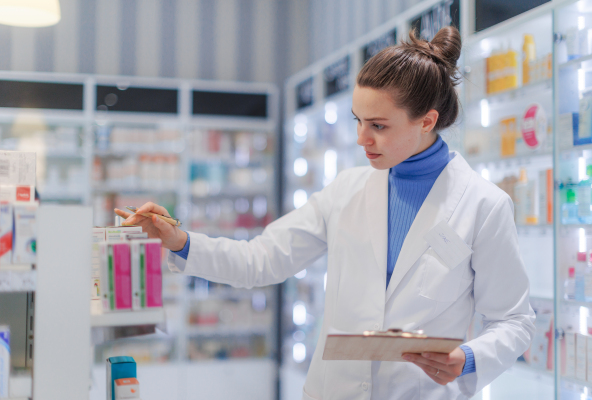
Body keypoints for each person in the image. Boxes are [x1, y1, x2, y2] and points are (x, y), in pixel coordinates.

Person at [116, 26, 535, 400]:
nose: (361, 138)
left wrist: (470, 357)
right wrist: (180, 242)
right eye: (357, 120)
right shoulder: (347, 190)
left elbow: (514, 319)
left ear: (427, 121)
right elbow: (262, 260)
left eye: (378, 126)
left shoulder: (483, 205)